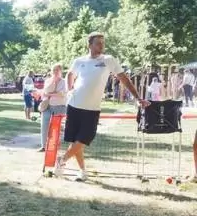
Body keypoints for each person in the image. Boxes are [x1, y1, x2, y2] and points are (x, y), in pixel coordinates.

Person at [56, 32, 148, 181]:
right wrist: (69, 89)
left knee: (84, 138)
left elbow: (124, 79)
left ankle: (62, 160)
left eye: (103, 43)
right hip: (74, 104)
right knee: (76, 141)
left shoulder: (108, 60)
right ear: (89, 45)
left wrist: (138, 98)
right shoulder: (79, 61)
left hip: (92, 108)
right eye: (98, 43)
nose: (101, 45)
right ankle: (83, 171)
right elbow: (70, 74)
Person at [39, 64, 68, 152]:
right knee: (44, 126)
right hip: (47, 106)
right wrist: (53, 84)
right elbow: (44, 92)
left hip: (59, 106)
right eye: (54, 70)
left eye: (57, 70)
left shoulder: (64, 82)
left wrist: (49, 94)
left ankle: (54, 146)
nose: (55, 72)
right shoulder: (48, 81)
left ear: (61, 71)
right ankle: (43, 146)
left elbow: (61, 94)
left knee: (56, 128)